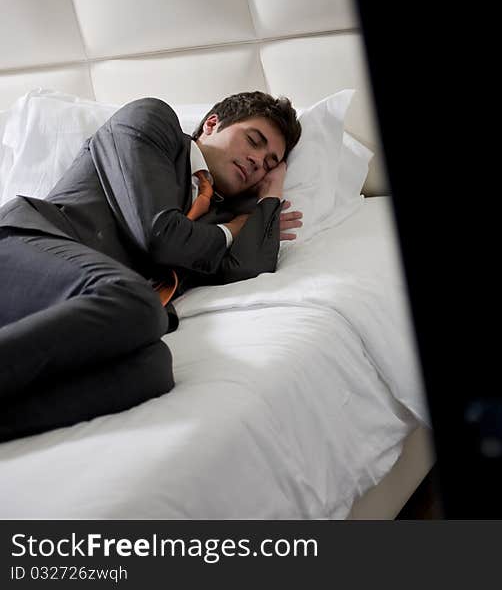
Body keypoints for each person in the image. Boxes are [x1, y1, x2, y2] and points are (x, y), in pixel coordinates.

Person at [0, 91, 304, 442]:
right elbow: (158, 234)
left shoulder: (221, 216)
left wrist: (270, 197)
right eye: (254, 141)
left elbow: (247, 269)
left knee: (153, 367)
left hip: (82, 307)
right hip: (25, 249)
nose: (257, 163)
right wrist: (232, 231)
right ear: (212, 124)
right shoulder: (152, 122)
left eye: (269, 163)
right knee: (140, 303)